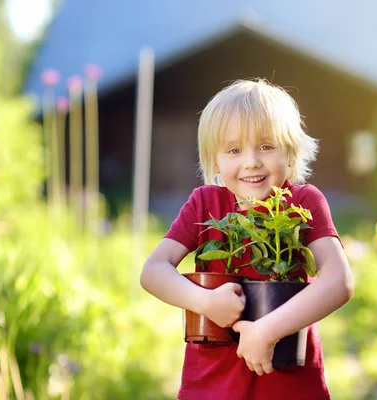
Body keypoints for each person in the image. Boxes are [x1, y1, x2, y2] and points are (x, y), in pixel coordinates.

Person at [140, 79, 354, 400]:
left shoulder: (303, 203)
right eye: (234, 150)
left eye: (266, 146)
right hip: (211, 386)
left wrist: (267, 331)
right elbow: (153, 271)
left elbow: (338, 282)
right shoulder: (204, 204)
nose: (251, 161)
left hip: (287, 386)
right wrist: (205, 302)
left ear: (291, 152)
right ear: (215, 160)